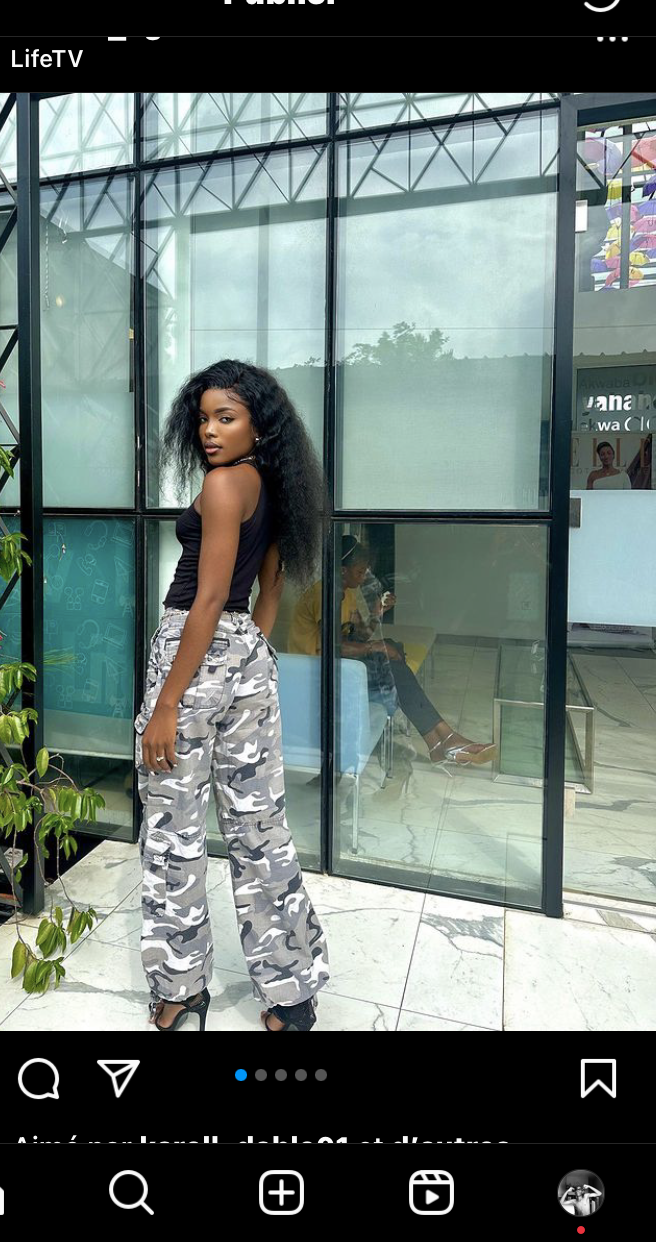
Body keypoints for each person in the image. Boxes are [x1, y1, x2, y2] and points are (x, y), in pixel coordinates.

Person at [134, 359, 330, 1033]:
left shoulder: (222, 485)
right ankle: (291, 993)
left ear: (257, 424)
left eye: (227, 417)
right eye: (203, 418)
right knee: (258, 825)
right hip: (246, 654)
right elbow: (267, 589)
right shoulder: (274, 487)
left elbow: (210, 596)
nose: (210, 431)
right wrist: (248, 655)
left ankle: (181, 991)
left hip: (191, 652)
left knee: (173, 829)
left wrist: (167, 703)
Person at [289, 538, 497, 768]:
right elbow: (332, 646)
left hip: (341, 665)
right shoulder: (325, 594)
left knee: (392, 653)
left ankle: (441, 741)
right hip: (316, 672)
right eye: (359, 572)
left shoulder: (347, 592)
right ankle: (443, 739)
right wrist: (375, 647)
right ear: (342, 570)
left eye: (364, 571)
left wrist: (377, 613)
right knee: (390, 664)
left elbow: (358, 637)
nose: (362, 577)